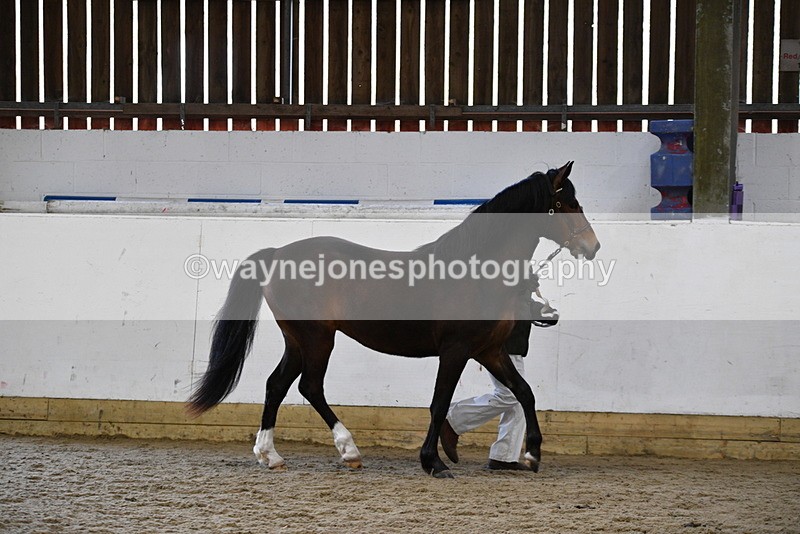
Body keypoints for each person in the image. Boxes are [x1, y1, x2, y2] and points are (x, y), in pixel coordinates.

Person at [439, 274, 558, 471]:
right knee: (511, 395)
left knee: (517, 402)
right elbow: (497, 297)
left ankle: (504, 456)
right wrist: (521, 286)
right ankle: (453, 419)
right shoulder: (501, 273)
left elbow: (519, 304)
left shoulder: (516, 274)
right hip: (502, 342)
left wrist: (540, 310)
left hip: (513, 341)